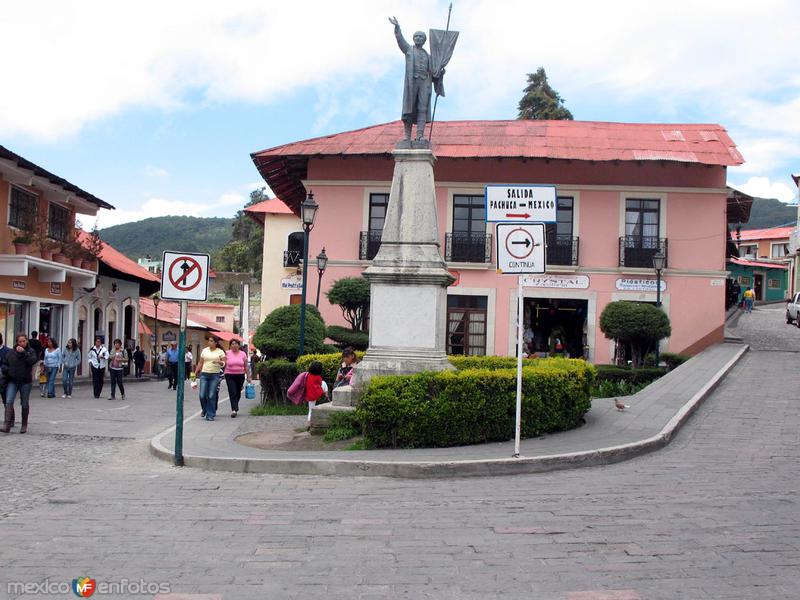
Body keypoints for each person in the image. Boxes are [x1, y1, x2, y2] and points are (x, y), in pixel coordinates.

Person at [389, 17, 444, 143]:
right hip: (412, 82)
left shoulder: (429, 57)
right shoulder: (409, 50)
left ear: (424, 40)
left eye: (421, 37)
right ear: (413, 39)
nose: (418, 38)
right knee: (409, 108)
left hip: (425, 83)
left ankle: (420, 135)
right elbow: (400, 41)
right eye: (416, 36)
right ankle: (407, 136)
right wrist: (397, 28)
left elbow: (434, 73)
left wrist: (440, 73)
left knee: (422, 108)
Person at [1, 333, 39, 433]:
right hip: (12, 380)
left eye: (24, 341)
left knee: (24, 403)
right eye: (20, 341)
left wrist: (24, 353)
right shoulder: (11, 352)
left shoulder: (31, 351)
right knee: (9, 400)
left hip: (25, 381)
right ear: (17, 342)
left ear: (27, 341)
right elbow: (5, 363)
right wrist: (6, 370)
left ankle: (24, 425)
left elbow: (32, 361)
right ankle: (7, 424)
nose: (22, 343)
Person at [194, 336, 226, 421]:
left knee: (211, 395)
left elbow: (224, 363)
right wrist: (195, 372)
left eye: (211, 341)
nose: (209, 342)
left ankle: (210, 414)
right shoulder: (205, 350)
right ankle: (205, 409)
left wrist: (220, 362)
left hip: (215, 375)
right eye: (209, 341)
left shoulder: (220, 352)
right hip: (204, 374)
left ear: (216, 343)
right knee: (202, 395)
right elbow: (200, 362)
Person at [223, 339, 250, 418]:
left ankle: (235, 405)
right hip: (229, 375)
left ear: (238, 345)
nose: (234, 345)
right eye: (232, 344)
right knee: (232, 392)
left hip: (240, 375)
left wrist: (248, 376)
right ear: (230, 345)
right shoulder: (227, 353)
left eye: (235, 344)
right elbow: (223, 363)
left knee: (238, 392)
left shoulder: (243, 354)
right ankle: (234, 409)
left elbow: (246, 366)